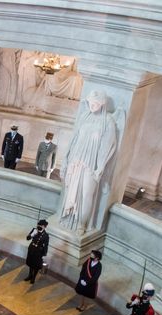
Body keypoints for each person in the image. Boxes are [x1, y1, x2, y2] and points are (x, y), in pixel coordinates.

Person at [59, 90, 119, 234]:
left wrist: (100, 167)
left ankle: (82, 224)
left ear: (102, 104)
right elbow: (74, 139)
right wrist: (66, 159)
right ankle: (70, 217)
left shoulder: (108, 121)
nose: (92, 105)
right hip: (76, 159)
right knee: (70, 190)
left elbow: (107, 146)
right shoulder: (85, 116)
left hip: (91, 163)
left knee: (87, 194)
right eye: (90, 102)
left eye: (96, 103)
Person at [24, 219, 48, 284]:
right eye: (38, 224)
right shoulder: (34, 230)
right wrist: (32, 235)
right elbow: (27, 238)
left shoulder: (46, 235)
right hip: (31, 248)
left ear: (44, 226)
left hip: (38, 252)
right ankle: (30, 275)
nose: (39, 226)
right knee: (31, 263)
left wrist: (44, 254)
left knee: (36, 265)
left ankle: (33, 277)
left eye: (41, 225)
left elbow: (46, 245)